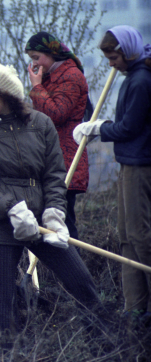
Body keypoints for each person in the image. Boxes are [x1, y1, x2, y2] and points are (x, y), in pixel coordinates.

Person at [0, 63, 105, 357]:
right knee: (0, 302)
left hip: (44, 222)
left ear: (4, 93)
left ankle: (102, 347)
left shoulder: (41, 124)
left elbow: (55, 174)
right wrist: (12, 209)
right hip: (2, 225)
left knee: (82, 284)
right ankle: (1, 356)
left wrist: (55, 212)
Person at [74, 25, 151, 325]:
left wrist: (99, 128)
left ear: (128, 51)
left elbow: (129, 128)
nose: (110, 64)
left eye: (113, 57)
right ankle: (135, 305)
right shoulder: (132, 77)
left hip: (140, 165)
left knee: (140, 235)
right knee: (126, 237)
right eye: (107, 58)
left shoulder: (141, 81)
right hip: (128, 163)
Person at [26, 31, 90, 239]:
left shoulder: (70, 76)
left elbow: (56, 113)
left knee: (64, 222)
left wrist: (36, 86)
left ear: (51, 52)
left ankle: (74, 270)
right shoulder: (52, 76)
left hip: (66, 159)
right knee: (50, 222)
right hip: (52, 158)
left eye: (37, 57)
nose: (35, 63)